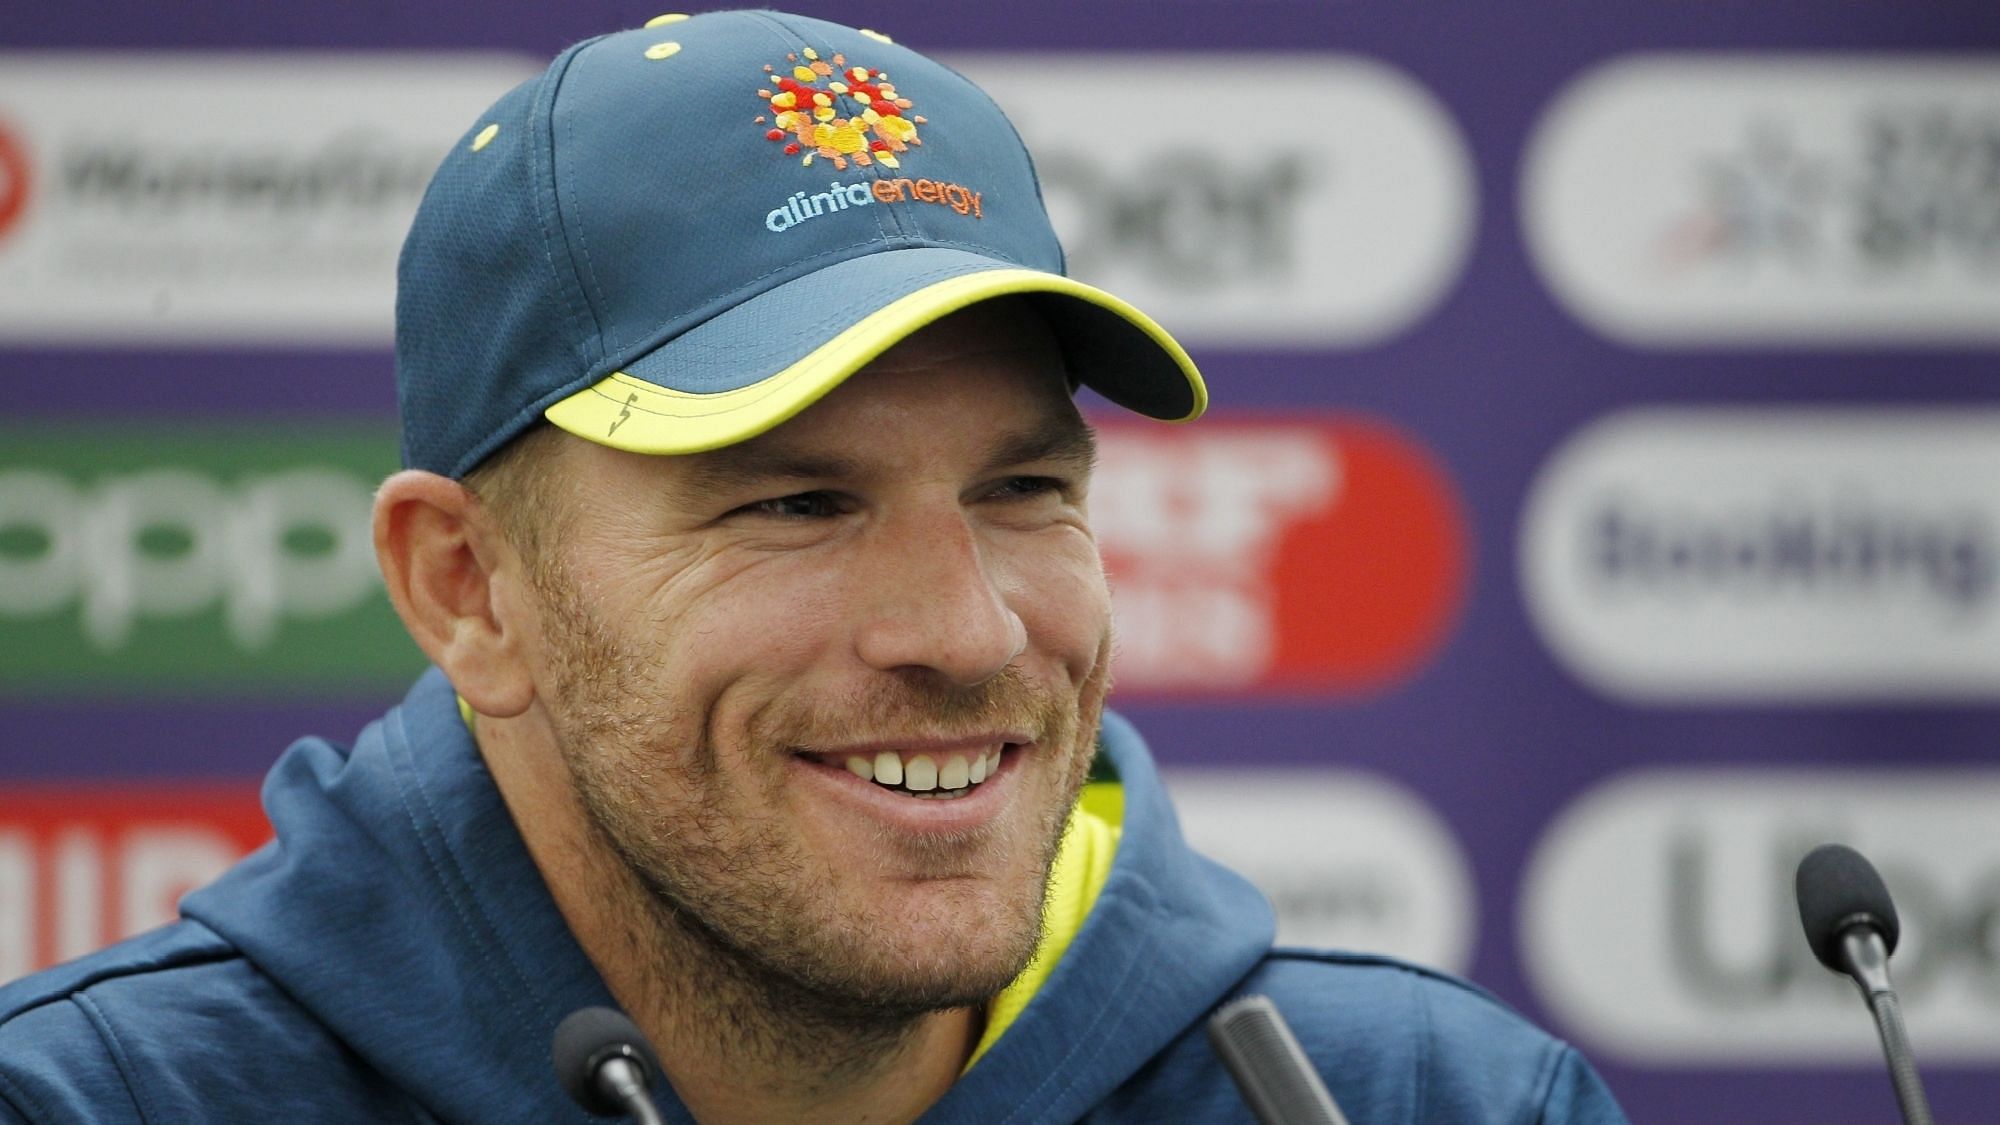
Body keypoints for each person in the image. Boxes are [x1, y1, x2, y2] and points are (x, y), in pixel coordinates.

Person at [0, 11, 1626, 1122]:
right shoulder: (108, 1100)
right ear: (466, 589)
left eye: (1023, 487)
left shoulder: (1421, 1096)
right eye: (793, 504)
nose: (968, 628)